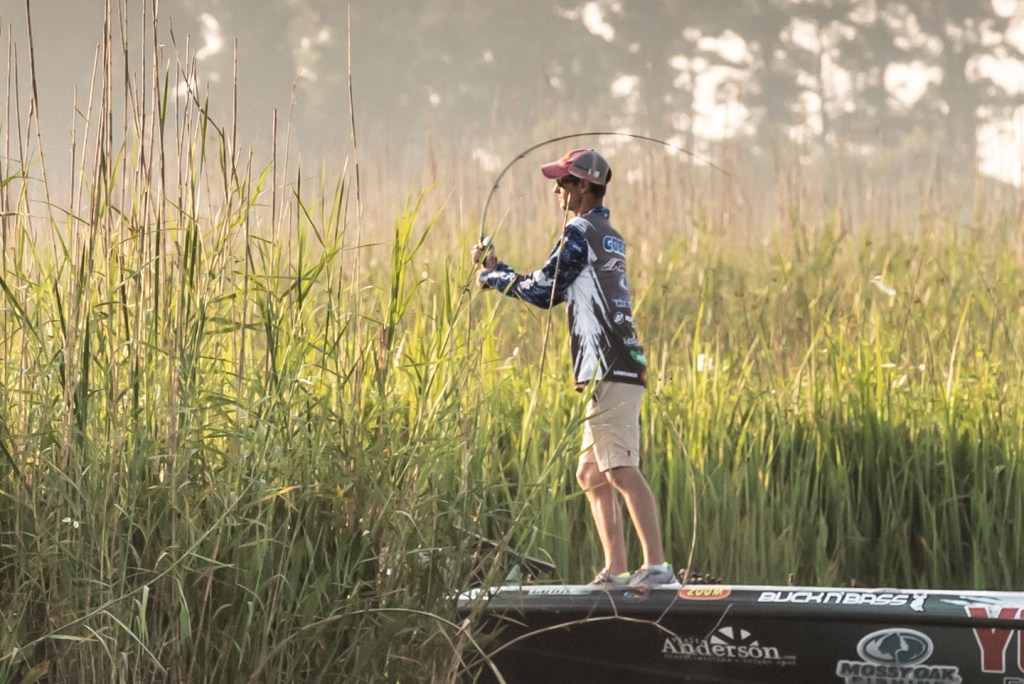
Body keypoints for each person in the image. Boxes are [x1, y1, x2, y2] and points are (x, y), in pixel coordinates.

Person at [471, 148, 676, 587]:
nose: (556, 190)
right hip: (615, 366)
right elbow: (560, 286)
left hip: (609, 365)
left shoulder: (579, 232)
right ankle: (616, 570)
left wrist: (491, 276)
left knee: (619, 468)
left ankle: (656, 568)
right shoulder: (608, 234)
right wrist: (499, 268)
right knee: (590, 473)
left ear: (584, 185)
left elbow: (544, 290)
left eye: (562, 182)